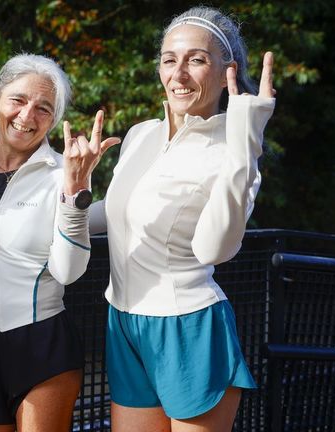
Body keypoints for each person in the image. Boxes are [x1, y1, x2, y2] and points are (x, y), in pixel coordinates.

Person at [88, 6, 276, 431]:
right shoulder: (140, 134)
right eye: (170, 59)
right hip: (123, 320)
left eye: (196, 59)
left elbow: (215, 250)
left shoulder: (235, 152)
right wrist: (60, 200)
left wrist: (246, 142)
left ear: (227, 69)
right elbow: (114, 212)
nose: (179, 74)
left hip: (189, 327)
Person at [0, 54, 120, 431]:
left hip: (43, 346)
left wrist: (74, 194)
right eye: (18, 100)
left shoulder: (62, 176)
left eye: (43, 108)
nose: (27, 115)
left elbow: (67, 272)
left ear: (53, 120)